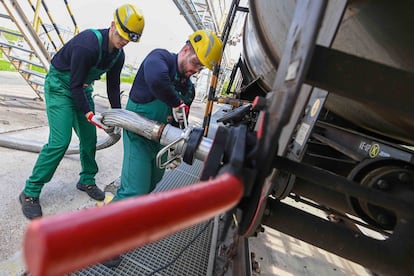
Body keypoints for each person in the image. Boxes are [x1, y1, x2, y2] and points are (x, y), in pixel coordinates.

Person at [19, 4, 145, 220]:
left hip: (82, 89)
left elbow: (113, 87)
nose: (123, 41)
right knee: (60, 141)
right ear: (113, 25)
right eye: (122, 36)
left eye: (128, 40)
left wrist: (117, 115)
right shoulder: (88, 44)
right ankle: (30, 192)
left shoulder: (118, 56)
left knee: (89, 139)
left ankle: (86, 179)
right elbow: (73, 85)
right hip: (60, 87)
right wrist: (89, 114)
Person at [112, 29, 223, 202]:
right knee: (134, 191)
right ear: (186, 51)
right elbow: (157, 80)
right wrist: (176, 102)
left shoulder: (189, 89)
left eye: (200, 68)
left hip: (161, 141)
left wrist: (176, 150)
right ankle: (96, 227)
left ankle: (129, 222)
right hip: (138, 136)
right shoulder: (160, 58)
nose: (196, 70)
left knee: (152, 183)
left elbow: (181, 122)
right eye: (196, 63)